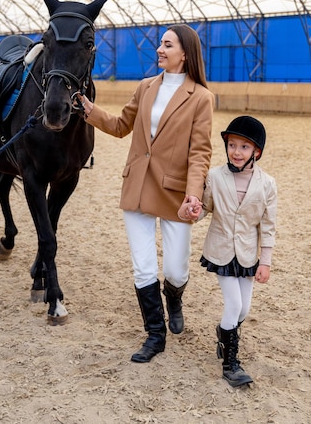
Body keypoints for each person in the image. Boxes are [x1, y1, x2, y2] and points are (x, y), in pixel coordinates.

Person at [77, 24, 214, 363]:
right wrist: (91, 111)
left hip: (175, 194)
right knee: (143, 268)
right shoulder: (145, 87)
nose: (159, 49)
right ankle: (155, 334)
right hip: (137, 184)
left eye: (167, 45)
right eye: (160, 44)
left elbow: (200, 153)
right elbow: (122, 125)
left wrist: (194, 195)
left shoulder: (201, 98)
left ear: (185, 52)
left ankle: (175, 297)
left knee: (177, 271)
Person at [178, 115, 277, 387]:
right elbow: (204, 208)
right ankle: (230, 363)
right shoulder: (215, 177)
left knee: (244, 309)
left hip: (247, 254)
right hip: (221, 251)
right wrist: (191, 211)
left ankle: (224, 332)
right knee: (233, 305)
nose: (236, 152)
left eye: (244, 147)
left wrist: (265, 262)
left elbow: (268, 227)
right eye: (232, 145)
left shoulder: (267, 184)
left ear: (256, 151)